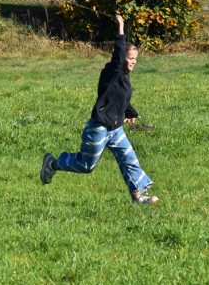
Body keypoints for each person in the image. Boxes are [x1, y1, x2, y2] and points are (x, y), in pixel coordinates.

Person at [40, 13, 158, 205]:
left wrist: (129, 112)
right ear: (121, 59)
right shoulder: (113, 71)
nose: (134, 61)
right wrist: (121, 26)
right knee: (85, 165)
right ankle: (52, 164)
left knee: (129, 159)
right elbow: (119, 52)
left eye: (136, 58)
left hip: (115, 129)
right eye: (130, 58)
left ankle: (138, 197)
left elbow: (119, 97)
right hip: (99, 128)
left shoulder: (124, 77)